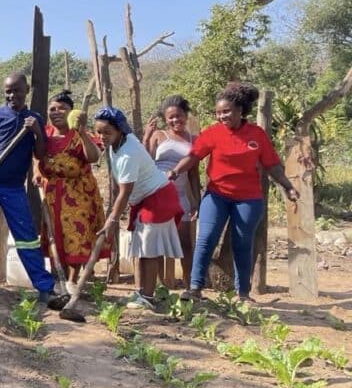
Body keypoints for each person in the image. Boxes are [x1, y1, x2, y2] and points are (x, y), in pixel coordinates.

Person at [170, 82, 299, 302]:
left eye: (226, 111)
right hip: (217, 195)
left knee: (242, 243)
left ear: (240, 110)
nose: (222, 116)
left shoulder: (256, 135)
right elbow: (193, 156)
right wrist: (175, 171)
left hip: (248, 199)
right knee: (206, 238)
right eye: (218, 113)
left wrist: (288, 186)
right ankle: (194, 288)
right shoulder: (212, 133)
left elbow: (272, 165)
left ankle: (243, 293)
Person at [0, 74, 55, 301]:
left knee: (27, 238)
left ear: (26, 90)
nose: (12, 95)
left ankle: (44, 287)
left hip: (14, 189)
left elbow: (40, 153)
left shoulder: (34, 119)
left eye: (17, 90)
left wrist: (36, 131)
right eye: (8, 91)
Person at [93, 106, 183, 310]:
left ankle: (148, 298)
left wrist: (112, 220)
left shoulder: (127, 153)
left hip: (158, 198)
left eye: (107, 132)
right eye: (98, 132)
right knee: (140, 248)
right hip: (144, 200)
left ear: (119, 131)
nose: (102, 136)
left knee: (149, 251)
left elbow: (124, 192)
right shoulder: (117, 144)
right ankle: (141, 292)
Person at [35, 90, 110, 294]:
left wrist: (83, 131)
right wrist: (37, 173)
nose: (56, 112)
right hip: (51, 192)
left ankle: (71, 280)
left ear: (71, 112)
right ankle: (56, 277)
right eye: (52, 109)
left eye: (62, 108)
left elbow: (94, 157)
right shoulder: (45, 134)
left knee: (75, 235)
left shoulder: (79, 134)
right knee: (53, 235)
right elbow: (37, 155)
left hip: (78, 194)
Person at [142, 95, 201, 288]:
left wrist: (196, 201)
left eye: (179, 116)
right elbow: (146, 162)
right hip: (158, 194)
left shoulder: (194, 139)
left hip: (181, 196)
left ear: (186, 115)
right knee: (158, 243)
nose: (175, 120)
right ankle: (161, 286)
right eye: (171, 117)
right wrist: (146, 137)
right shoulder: (159, 135)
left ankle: (189, 285)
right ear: (165, 119)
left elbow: (193, 173)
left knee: (185, 243)